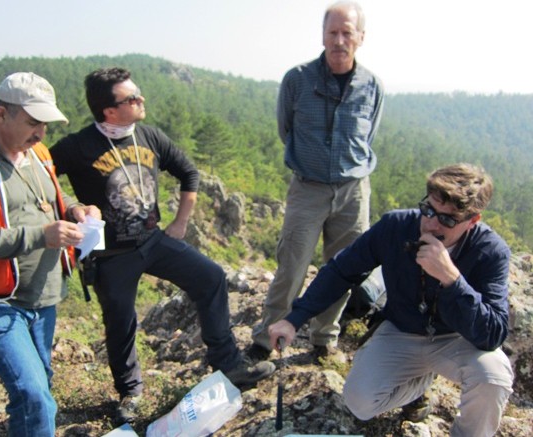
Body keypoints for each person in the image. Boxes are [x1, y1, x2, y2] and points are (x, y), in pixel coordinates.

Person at [49, 67, 275, 424]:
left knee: (211, 276)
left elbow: (189, 172)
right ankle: (130, 392)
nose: (142, 100)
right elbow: (41, 178)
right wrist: (71, 206)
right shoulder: (78, 146)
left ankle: (228, 364)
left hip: (154, 241)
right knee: (120, 321)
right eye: (132, 98)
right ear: (109, 110)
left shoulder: (150, 136)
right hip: (111, 255)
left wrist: (181, 222)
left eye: (138, 94)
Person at [268, 163, 514, 436]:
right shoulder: (396, 227)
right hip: (402, 330)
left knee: (494, 378)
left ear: (472, 221)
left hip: (456, 338)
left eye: (447, 219)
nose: (431, 223)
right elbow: (341, 271)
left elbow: (492, 334)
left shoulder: (490, 251)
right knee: (359, 402)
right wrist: (294, 319)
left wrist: (452, 280)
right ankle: (417, 386)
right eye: (429, 210)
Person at [0, 72, 101, 436]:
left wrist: (75, 210)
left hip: (42, 292)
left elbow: (52, 198)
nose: (41, 133)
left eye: (45, 123)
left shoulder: (37, 154)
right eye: (33, 122)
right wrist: (42, 235)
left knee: (37, 384)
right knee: (34, 394)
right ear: (1, 115)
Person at [250, 0, 385, 360]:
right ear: (323, 35)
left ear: (361, 37)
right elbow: (285, 129)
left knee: (344, 268)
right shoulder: (298, 79)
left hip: (354, 190)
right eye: (333, 32)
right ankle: (268, 338)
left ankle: (325, 338)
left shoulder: (372, 85)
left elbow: (367, 136)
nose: (339, 40)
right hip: (308, 188)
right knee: (292, 264)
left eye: (347, 33)